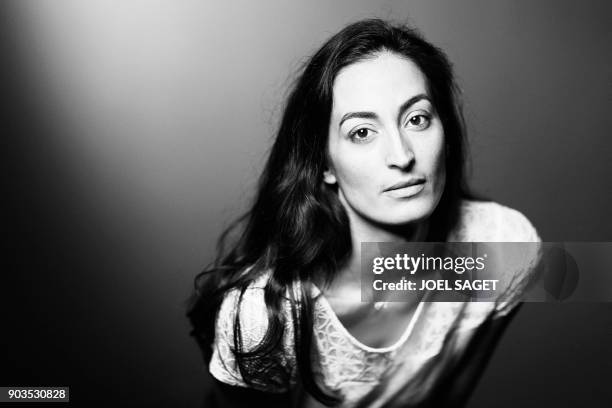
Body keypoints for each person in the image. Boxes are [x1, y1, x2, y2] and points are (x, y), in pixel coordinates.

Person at [187, 18, 541, 407]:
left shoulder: (503, 243)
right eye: (361, 132)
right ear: (324, 164)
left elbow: (451, 397)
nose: (403, 156)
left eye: (417, 119)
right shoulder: (265, 315)